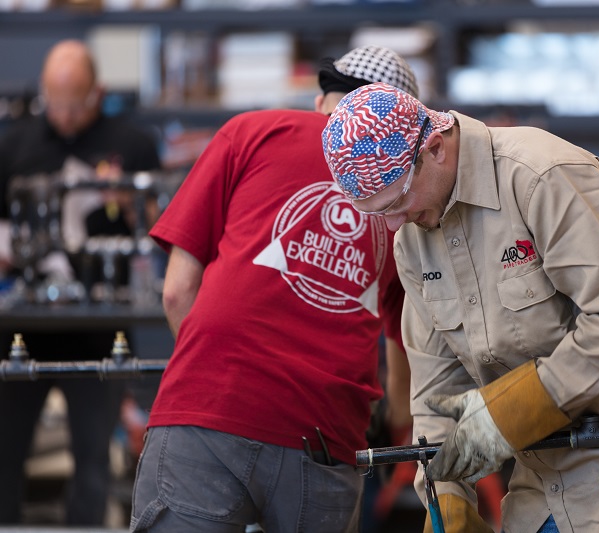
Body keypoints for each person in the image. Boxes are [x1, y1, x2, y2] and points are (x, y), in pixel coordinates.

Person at [321, 82, 599, 533]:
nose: (393, 224)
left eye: (395, 202)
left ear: (434, 149)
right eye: (378, 214)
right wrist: (445, 499)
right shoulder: (413, 242)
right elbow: (436, 391)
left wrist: (511, 413)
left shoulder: (542, 176)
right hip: (541, 493)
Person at [129, 45, 417, 532]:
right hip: (325, 436)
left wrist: (219, 380)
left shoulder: (253, 131)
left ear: (322, 98)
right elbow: (408, 348)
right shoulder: (405, 201)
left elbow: (177, 292)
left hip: (209, 412)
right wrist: (401, 428)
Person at [0, 40, 161, 525]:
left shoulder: (132, 145)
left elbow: (163, 226)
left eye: (76, 103)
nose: (65, 116)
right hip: (21, 329)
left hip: (101, 327)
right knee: (5, 457)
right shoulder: (13, 144)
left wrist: (133, 203)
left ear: (99, 92)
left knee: (93, 463)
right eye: (56, 103)